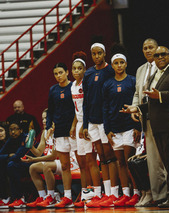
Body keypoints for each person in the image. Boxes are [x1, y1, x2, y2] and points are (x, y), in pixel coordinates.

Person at [122, 46, 169, 208]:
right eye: (157, 55)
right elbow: (151, 101)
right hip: (156, 125)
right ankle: (167, 195)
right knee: (165, 162)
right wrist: (136, 108)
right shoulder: (155, 74)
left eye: (163, 54)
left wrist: (159, 95)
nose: (160, 57)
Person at [82, 41, 119, 208]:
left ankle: (114, 193)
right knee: (101, 157)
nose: (96, 56)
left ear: (105, 54)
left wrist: (110, 120)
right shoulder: (88, 73)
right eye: (94, 54)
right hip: (92, 121)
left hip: (106, 120)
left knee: (110, 155)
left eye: (99, 53)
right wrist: (84, 124)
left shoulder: (110, 71)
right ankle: (105, 193)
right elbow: (85, 100)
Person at [102, 53, 141, 207]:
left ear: (126, 64)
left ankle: (136, 193)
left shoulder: (132, 81)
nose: (119, 65)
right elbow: (105, 107)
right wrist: (107, 129)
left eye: (121, 62)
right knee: (120, 162)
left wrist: (138, 126)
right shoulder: (108, 84)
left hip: (129, 127)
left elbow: (138, 104)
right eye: (116, 63)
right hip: (114, 128)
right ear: (112, 66)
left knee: (130, 161)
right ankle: (125, 194)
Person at [131, 38, 167, 206]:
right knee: (153, 160)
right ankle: (157, 195)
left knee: (164, 157)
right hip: (146, 118)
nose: (148, 50)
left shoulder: (167, 64)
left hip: (162, 116)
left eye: (151, 47)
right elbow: (138, 94)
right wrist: (134, 108)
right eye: (145, 48)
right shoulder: (140, 70)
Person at [23, 109, 79, 208]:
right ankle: (43, 197)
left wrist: (34, 159)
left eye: (46, 118)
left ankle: (51, 197)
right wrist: (30, 145)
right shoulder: (45, 132)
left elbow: (53, 156)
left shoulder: (58, 131)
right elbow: (39, 152)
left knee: (46, 167)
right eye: (42, 119)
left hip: (68, 161)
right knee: (32, 168)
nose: (44, 121)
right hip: (52, 161)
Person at [46, 63, 76, 208]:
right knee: (64, 166)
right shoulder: (53, 89)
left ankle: (86, 194)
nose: (58, 76)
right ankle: (67, 197)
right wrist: (48, 127)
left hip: (74, 130)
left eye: (60, 72)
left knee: (82, 163)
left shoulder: (74, 86)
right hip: (59, 131)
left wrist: (75, 126)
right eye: (55, 73)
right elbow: (50, 111)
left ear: (67, 72)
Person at [69, 51, 94, 207]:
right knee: (81, 163)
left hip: (89, 124)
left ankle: (94, 193)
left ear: (85, 70)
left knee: (90, 160)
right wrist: (73, 125)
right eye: (74, 69)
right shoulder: (72, 86)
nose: (76, 71)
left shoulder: (88, 84)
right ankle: (85, 193)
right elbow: (76, 110)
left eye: (79, 68)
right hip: (78, 124)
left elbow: (89, 107)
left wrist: (84, 125)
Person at [0, 121, 31, 208]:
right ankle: (8, 198)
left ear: (21, 130)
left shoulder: (26, 138)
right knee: (6, 166)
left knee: (11, 165)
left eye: (15, 129)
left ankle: (20, 198)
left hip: (31, 164)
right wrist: (8, 156)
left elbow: (18, 156)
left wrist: (7, 158)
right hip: (17, 165)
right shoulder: (11, 139)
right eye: (10, 130)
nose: (13, 132)